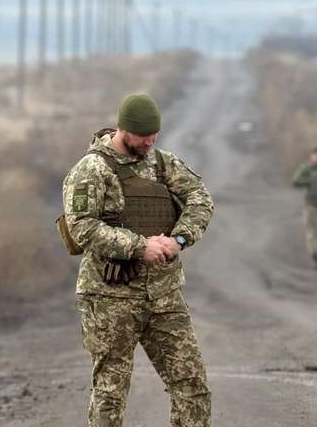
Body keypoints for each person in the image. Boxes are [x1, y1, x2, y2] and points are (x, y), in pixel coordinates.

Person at [62, 93, 214, 427]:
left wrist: (180, 239)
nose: (149, 142)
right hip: (110, 297)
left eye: (154, 136)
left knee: (192, 386)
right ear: (123, 130)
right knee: (110, 393)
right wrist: (138, 246)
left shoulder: (162, 164)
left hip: (163, 295)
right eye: (143, 136)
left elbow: (200, 199)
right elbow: (82, 227)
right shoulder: (92, 170)